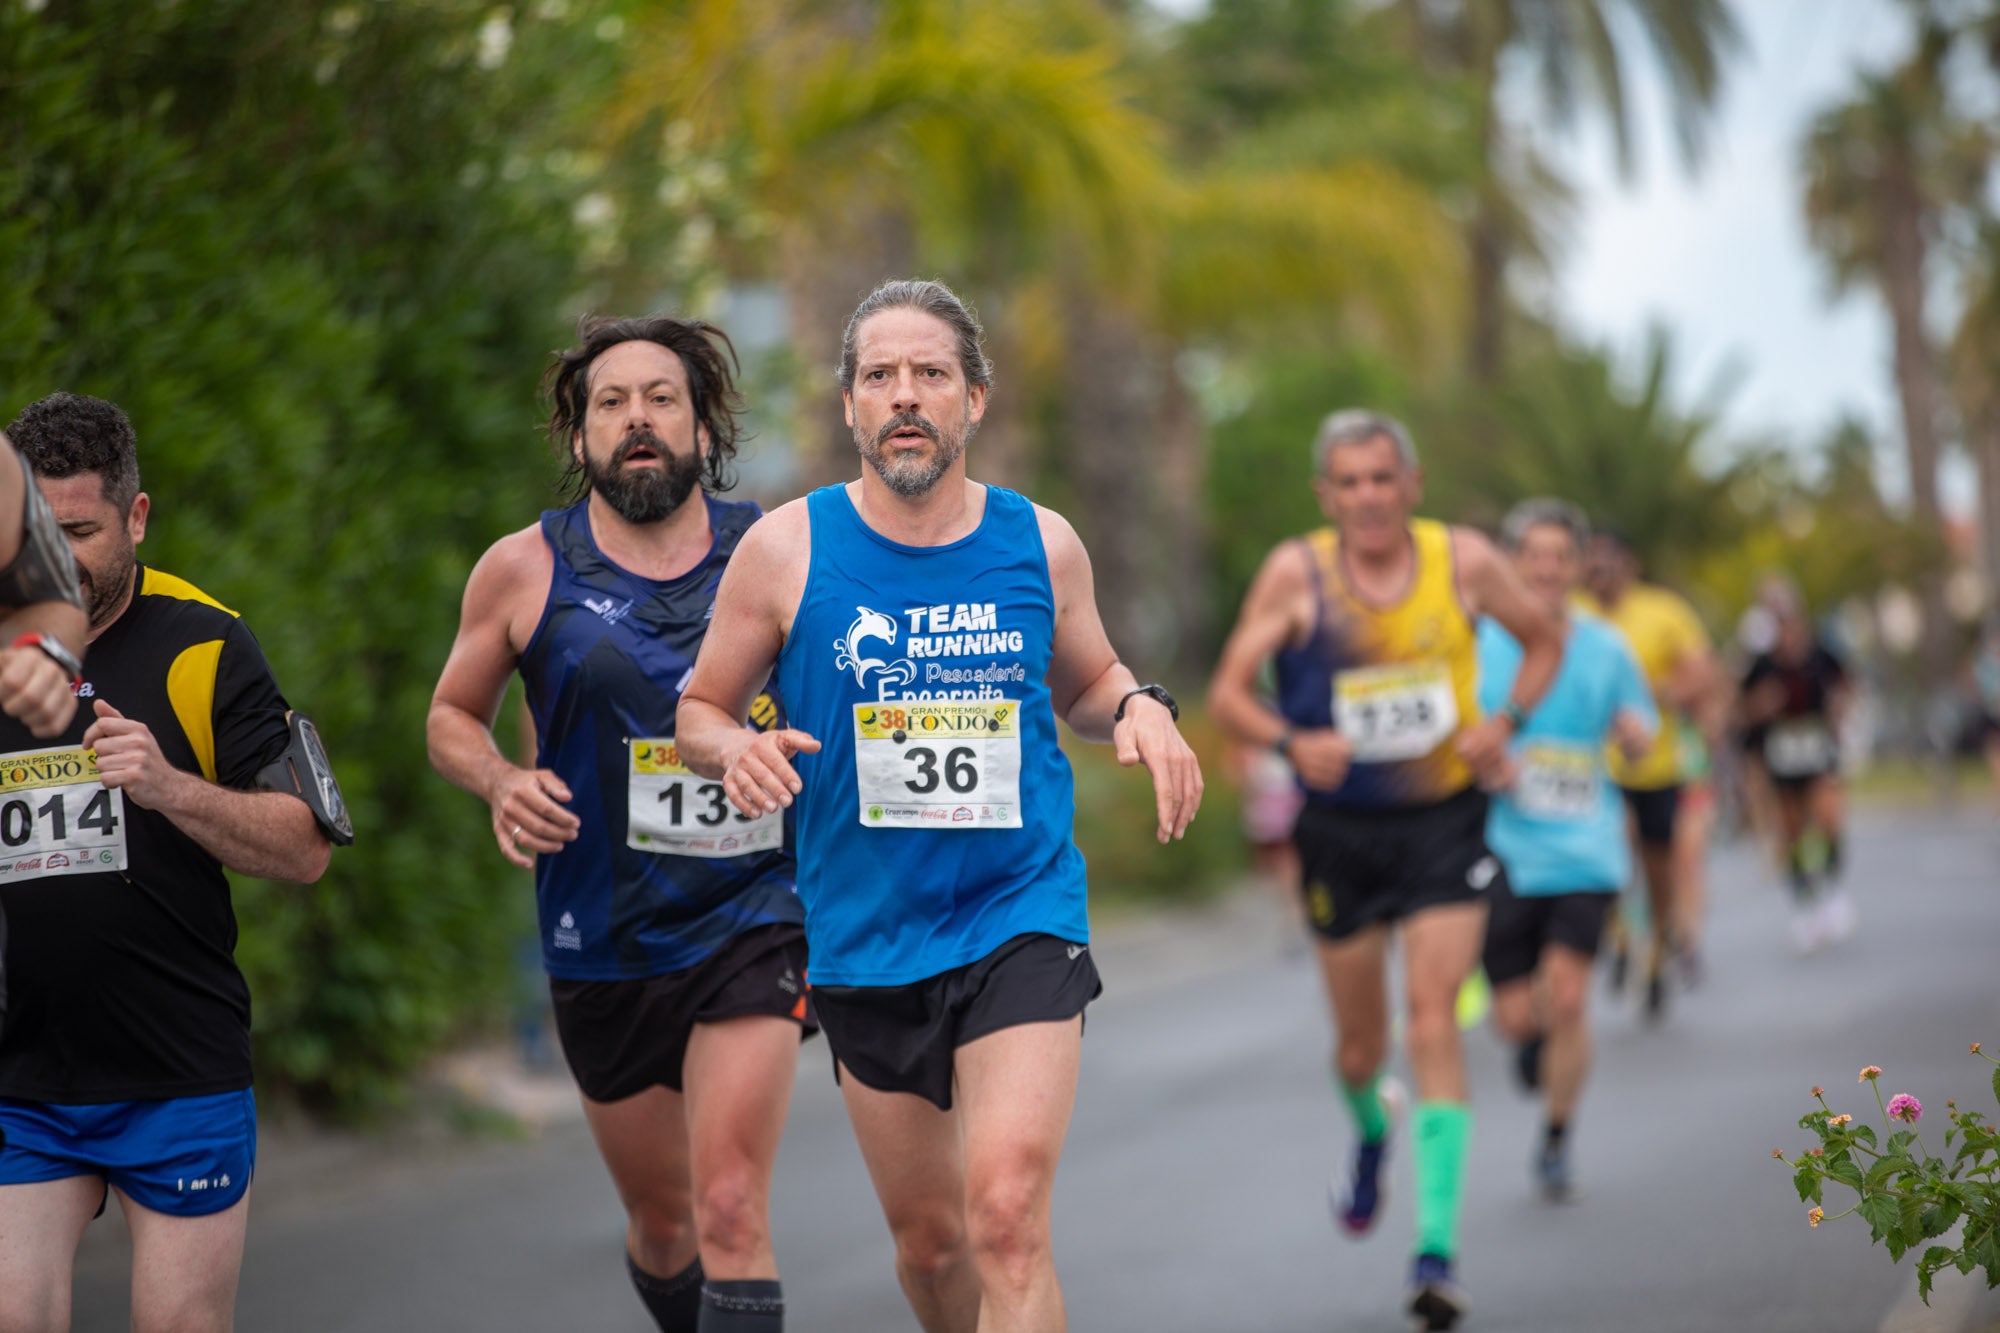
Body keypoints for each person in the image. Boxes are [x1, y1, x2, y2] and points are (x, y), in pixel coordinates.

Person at [676, 278, 1202, 1333]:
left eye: (930, 373)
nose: (905, 395)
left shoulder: (1040, 542)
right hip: (865, 934)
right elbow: (698, 709)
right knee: (932, 1247)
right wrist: (735, 748)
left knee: (1005, 1219)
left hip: (1019, 911)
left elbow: (1089, 680)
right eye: (879, 376)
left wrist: (1139, 706)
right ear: (848, 405)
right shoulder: (784, 549)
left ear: (976, 398)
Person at [428, 317, 815, 1333]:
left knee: (729, 1203)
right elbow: (449, 716)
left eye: (660, 398)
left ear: (703, 427)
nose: (636, 418)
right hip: (600, 929)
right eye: (611, 402)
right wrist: (499, 779)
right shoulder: (521, 568)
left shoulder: (777, 550)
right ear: (578, 434)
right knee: (664, 1219)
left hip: (754, 911)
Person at [1206, 410, 1561, 1331]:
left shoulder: (1464, 561)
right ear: (1326, 495)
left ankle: (1434, 1252)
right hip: (1341, 835)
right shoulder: (1297, 573)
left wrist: (1505, 724)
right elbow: (1227, 693)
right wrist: (1291, 742)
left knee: (1433, 1016)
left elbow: (1544, 639)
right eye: (1350, 481)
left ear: (1412, 483)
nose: (1368, 496)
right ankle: (1372, 1128)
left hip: (1444, 823)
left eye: (1381, 477)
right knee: (1361, 1049)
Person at [0, 392, 345, 1333]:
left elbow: (306, 846)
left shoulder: (207, 642)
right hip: (21, 1073)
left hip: (176, 1069)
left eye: (81, 532)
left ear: (137, 516)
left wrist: (168, 786)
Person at [1476, 500, 1655, 1202]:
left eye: (1561, 556)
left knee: (1570, 996)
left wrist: (1635, 734)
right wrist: (1485, 759)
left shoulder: (1607, 646)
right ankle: (1531, 1042)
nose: (1547, 568)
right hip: (1504, 847)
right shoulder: (1482, 642)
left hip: (1586, 847)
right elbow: (1458, 730)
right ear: (1511, 563)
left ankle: (1555, 1138)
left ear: (1579, 566)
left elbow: (1639, 718)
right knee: (1516, 1016)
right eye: (1534, 555)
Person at [1580, 530, 1716, 1021]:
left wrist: (1657, 693)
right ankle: (1617, 935)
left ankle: (1658, 951)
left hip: (1657, 766)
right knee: (1612, 849)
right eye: (1592, 564)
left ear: (1630, 564)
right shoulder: (1573, 612)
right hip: (1594, 767)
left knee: (1659, 869)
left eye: (1609, 563)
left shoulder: (1664, 611)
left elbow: (1701, 672)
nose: (1601, 574)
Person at [1734, 582, 1853, 953]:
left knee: (1828, 817)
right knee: (1791, 830)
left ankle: (1833, 889)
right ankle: (1804, 903)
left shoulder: (1822, 654)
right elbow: (1740, 710)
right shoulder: (1760, 664)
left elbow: (1847, 685)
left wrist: (1840, 711)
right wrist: (1761, 705)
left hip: (1817, 746)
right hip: (1782, 752)